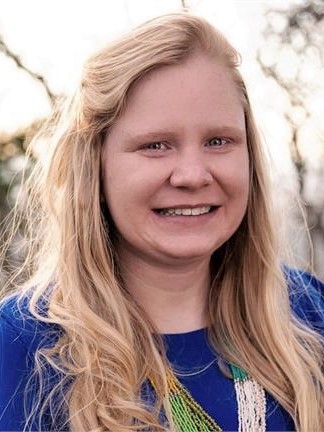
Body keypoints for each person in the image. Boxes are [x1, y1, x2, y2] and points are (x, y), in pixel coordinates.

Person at [0, 12, 323, 432]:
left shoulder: (309, 314)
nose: (192, 175)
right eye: (155, 145)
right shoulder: (21, 348)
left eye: (218, 141)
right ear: (94, 168)